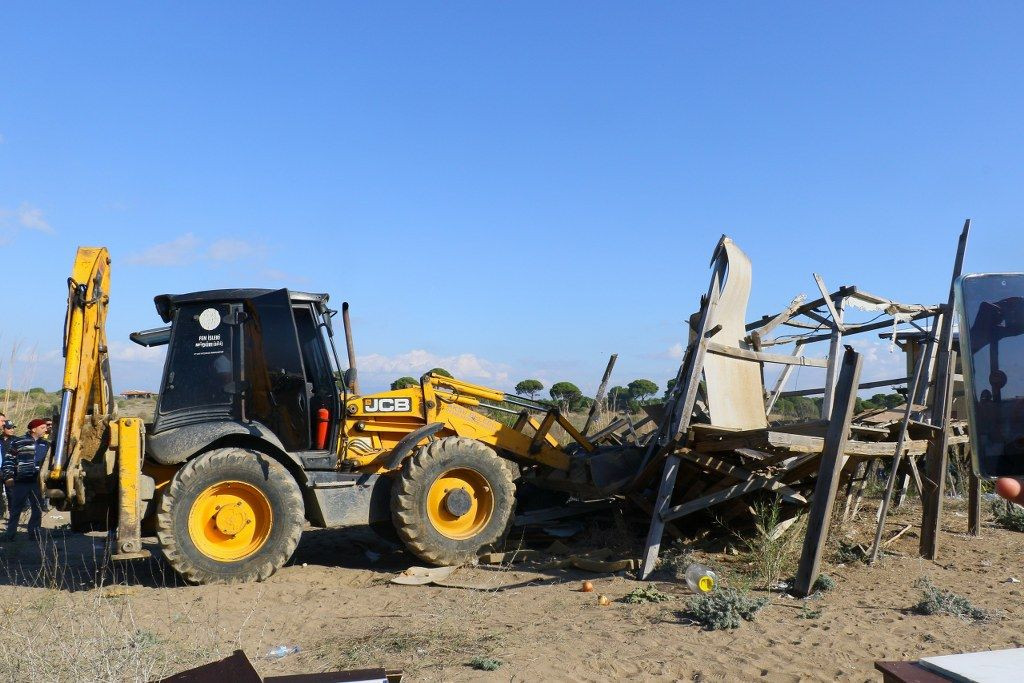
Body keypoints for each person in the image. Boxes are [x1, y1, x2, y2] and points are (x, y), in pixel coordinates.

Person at [1, 418, 50, 541]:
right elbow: (9, 460)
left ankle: (34, 534)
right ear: (34, 429)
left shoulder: (46, 444)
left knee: (37, 509)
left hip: (37, 483)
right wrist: (9, 476)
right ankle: (10, 535)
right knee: (16, 509)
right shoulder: (19, 442)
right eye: (42, 427)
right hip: (21, 481)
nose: (45, 430)